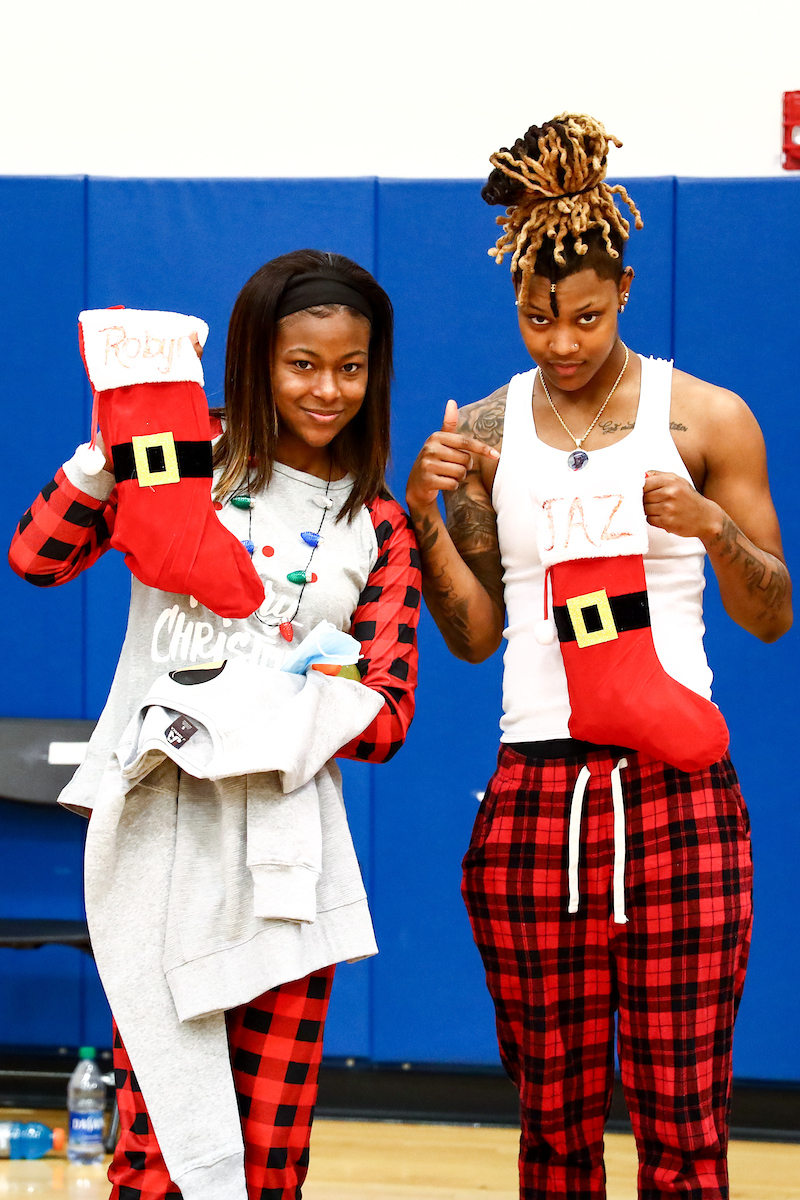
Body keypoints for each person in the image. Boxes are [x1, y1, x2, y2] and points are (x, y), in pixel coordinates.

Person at [406, 114, 792, 1199]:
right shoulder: (485, 423)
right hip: (536, 791)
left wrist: (711, 530)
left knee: (682, 1127)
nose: (562, 343)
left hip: (676, 797)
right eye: (537, 319)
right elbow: (475, 637)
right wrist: (431, 511)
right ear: (515, 305)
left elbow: (771, 614)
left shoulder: (705, 419)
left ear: (620, 287)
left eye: (584, 316)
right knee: (553, 1128)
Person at [10, 249, 421, 1200]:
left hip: (287, 849)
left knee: (269, 1151)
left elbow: (390, 715)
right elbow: (36, 557)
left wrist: (289, 701)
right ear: (253, 361)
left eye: (351, 367)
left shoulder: (379, 523)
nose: (327, 390)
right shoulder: (179, 461)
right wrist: (110, 445)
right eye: (302, 364)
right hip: (161, 833)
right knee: (162, 1139)